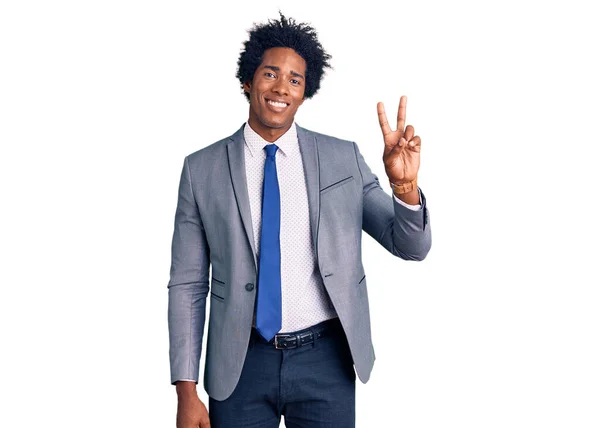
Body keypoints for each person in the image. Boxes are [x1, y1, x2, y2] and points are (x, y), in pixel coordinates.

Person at [167, 12, 432, 428]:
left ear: (305, 93)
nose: (281, 88)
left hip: (325, 361)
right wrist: (186, 390)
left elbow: (411, 247)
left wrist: (405, 188)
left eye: (295, 80)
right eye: (270, 73)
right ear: (247, 81)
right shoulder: (202, 170)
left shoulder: (342, 159)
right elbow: (187, 283)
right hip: (239, 364)